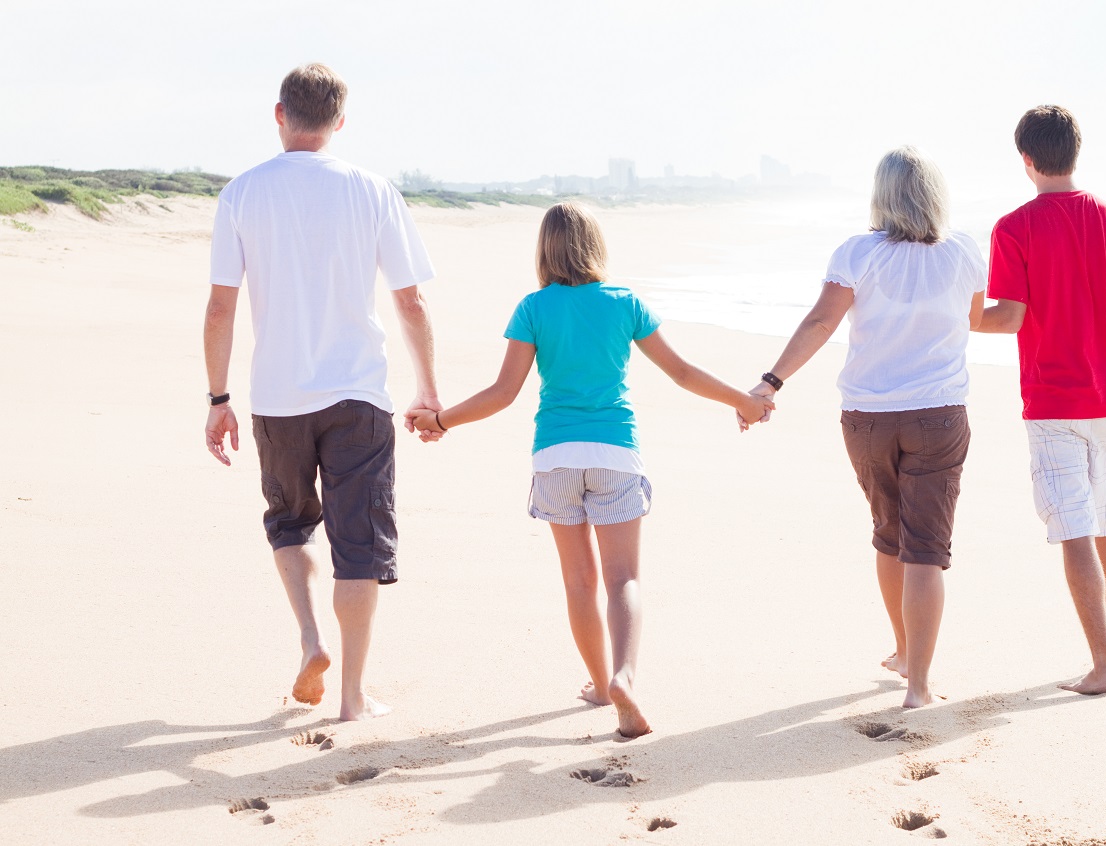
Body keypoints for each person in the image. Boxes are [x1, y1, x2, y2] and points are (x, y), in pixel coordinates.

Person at [407, 202, 772, 737]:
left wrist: (441, 420)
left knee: (579, 581)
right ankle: (624, 676)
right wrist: (744, 401)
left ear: (545, 250)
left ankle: (601, 685)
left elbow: (503, 392)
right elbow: (680, 371)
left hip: (555, 456)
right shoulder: (624, 303)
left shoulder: (533, 308)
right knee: (624, 577)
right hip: (614, 453)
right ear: (596, 246)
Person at [202, 63, 442, 721]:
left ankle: (311, 639)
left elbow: (221, 308)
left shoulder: (242, 193)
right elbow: (411, 302)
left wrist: (218, 400)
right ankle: (352, 699)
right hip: (358, 393)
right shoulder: (372, 189)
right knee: (358, 544)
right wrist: (427, 391)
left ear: (280, 114)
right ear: (339, 121)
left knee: (289, 523)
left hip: (277, 398)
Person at [748, 147, 986, 708]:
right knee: (926, 549)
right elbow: (974, 319)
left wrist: (771, 383)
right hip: (938, 414)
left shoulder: (857, 252)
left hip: (868, 419)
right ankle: (919, 687)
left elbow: (821, 322)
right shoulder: (962, 252)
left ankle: (903, 651)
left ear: (882, 195)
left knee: (889, 533)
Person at [975, 105, 1106, 695]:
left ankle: (1103, 667)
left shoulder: (1014, 227)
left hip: (1053, 404)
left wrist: (959, 312)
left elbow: (1008, 318)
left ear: (1026, 160)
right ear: (1074, 153)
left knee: (1076, 531)